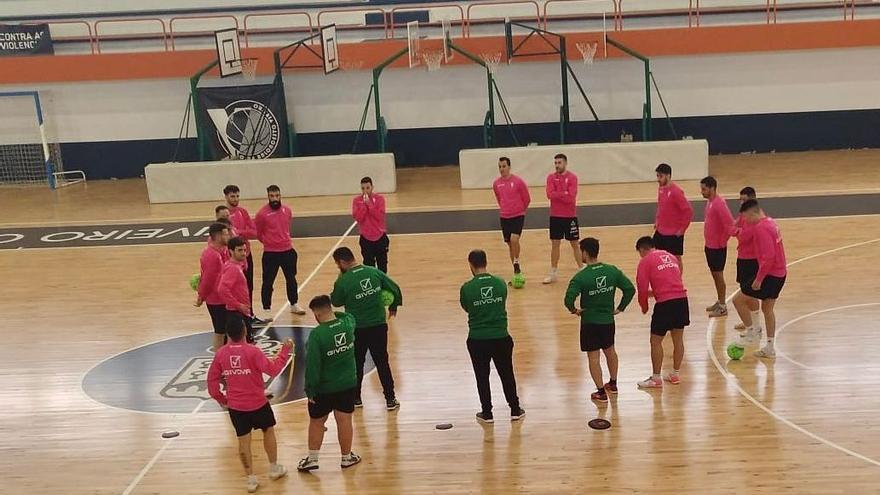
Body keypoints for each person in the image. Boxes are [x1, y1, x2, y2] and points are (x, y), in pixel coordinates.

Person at [207, 315, 292, 493]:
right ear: (245, 330)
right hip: (258, 403)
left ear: (227, 334)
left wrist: (224, 400)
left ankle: (251, 479)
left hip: (236, 408)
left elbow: (212, 384)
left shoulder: (221, 354)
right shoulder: (253, 352)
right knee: (268, 430)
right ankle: (274, 468)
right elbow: (273, 369)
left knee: (243, 441)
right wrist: (285, 351)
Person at [330, 247, 402, 410]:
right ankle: (390, 399)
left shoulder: (343, 280)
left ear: (342, 262)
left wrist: (340, 278)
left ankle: (356, 398)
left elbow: (336, 301)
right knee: (382, 362)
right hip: (378, 325)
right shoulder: (373, 272)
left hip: (357, 328)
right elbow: (395, 288)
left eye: (337, 264)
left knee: (357, 363)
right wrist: (394, 306)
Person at [564, 238, 635, 403]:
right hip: (608, 321)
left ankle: (601, 392)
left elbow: (568, 299)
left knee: (593, 358)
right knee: (610, 352)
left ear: (585, 253)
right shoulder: (612, 271)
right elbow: (629, 289)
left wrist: (574, 310)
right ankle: (613, 383)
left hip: (589, 323)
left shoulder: (580, 277)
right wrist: (620, 307)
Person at [459, 249, 526, 423]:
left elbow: (467, 307)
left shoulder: (467, 288)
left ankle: (487, 413)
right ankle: (515, 409)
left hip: (477, 339)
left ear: (471, 265)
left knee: (482, 376)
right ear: (485, 262)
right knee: (507, 374)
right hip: (501, 337)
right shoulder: (500, 283)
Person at [297, 295, 362, 472]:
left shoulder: (317, 335)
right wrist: (334, 316)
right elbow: (346, 315)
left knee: (317, 422)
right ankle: (347, 457)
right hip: (347, 384)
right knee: (344, 420)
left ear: (316, 314)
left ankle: (312, 459)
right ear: (330, 308)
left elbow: (313, 366)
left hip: (323, 389)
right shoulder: (348, 324)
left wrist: (310, 390)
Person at [635, 236, 689, 388]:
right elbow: (670, 283)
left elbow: (642, 287)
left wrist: (643, 305)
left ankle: (656, 378)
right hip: (682, 300)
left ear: (642, 249)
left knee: (655, 341)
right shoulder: (671, 256)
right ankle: (675, 374)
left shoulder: (645, 261)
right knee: (678, 340)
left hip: (665, 304)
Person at [739, 200, 787, 358]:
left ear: (753, 213)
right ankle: (770, 347)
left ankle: (753, 331)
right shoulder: (771, 222)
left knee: (739, 299)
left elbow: (769, 257)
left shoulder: (761, 228)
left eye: (746, 217)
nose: (746, 221)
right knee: (767, 309)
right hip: (780, 273)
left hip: (771, 275)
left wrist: (759, 279)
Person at [256, 185, 306, 316]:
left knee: (291, 279)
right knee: (268, 281)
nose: (275, 199)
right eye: (272, 196)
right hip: (270, 253)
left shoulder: (287, 210)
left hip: (287, 251)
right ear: (268, 196)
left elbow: (286, 226)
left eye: (277, 196)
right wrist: (270, 243)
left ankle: (294, 304)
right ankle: (266, 308)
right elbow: (259, 234)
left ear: (280, 195)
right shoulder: (262, 214)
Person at [544, 153, 582, 284]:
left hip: (570, 216)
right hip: (555, 216)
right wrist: (563, 194)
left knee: (575, 244)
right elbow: (549, 194)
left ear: (565, 163)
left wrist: (558, 195)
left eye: (559, 163)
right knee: (555, 245)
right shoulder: (550, 178)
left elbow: (571, 197)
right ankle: (553, 272)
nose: (557, 165)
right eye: (555, 163)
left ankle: (582, 269)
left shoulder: (572, 178)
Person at [700, 176, 735, 318]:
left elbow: (729, 224)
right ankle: (720, 301)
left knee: (718, 276)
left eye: (704, 189)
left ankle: (722, 307)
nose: (702, 192)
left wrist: (722, 241)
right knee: (715, 275)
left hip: (717, 248)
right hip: (710, 246)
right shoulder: (710, 202)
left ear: (712, 188)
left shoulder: (719, 204)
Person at [492, 157, 531, 279]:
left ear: (509, 167)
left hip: (518, 215)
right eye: (499, 167)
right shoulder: (496, 184)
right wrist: (505, 208)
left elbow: (527, 198)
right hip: (504, 216)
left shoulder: (518, 181)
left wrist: (521, 210)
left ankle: (516, 261)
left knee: (515, 240)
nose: (501, 169)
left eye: (503, 166)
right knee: (509, 243)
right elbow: (499, 198)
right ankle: (516, 271)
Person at [732, 187, 762, 335]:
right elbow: (734, 228)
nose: (741, 203)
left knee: (749, 293)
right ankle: (751, 322)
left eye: (744, 200)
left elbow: (743, 236)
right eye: (740, 200)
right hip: (742, 257)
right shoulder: (743, 215)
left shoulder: (755, 218)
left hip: (752, 259)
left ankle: (754, 327)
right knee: (746, 291)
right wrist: (737, 231)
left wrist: (737, 232)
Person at [195, 222, 230, 351]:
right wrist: (201, 296)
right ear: (218, 236)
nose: (229, 236)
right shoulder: (211, 255)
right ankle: (219, 360)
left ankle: (224, 357)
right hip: (216, 299)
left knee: (226, 330)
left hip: (224, 297)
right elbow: (208, 280)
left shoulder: (222, 251)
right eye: (226, 234)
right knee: (220, 330)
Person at [224, 185, 260, 310]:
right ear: (226, 197)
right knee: (234, 285)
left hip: (247, 254)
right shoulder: (225, 214)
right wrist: (241, 232)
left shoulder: (242, 212)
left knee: (248, 285)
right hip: (233, 257)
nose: (235, 199)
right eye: (232, 196)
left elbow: (253, 231)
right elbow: (226, 235)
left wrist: (237, 232)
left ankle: (250, 312)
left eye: (237, 196)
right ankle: (237, 310)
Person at [653, 163, 693, 272]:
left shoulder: (676, 192)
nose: (658, 179)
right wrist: (657, 221)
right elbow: (660, 206)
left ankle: (677, 281)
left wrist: (682, 229)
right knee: (659, 256)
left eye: (660, 176)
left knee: (676, 258)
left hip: (674, 233)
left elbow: (688, 211)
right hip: (661, 231)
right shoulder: (661, 189)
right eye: (657, 176)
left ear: (668, 176)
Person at [219, 237, 256, 343]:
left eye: (244, 250)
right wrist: (239, 305)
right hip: (237, 312)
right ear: (231, 251)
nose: (244, 253)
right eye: (240, 250)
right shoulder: (233, 269)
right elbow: (222, 289)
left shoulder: (238, 265)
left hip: (240, 311)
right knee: (244, 344)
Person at [352, 177, 390, 273]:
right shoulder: (356, 201)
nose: (365, 191)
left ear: (372, 187)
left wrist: (370, 205)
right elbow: (358, 218)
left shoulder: (379, 199)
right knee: (369, 267)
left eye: (367, 188)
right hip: (366, 239)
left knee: (382, 265)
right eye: (363, 188)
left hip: (380, 237)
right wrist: (364, 206)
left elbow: (380, 216)